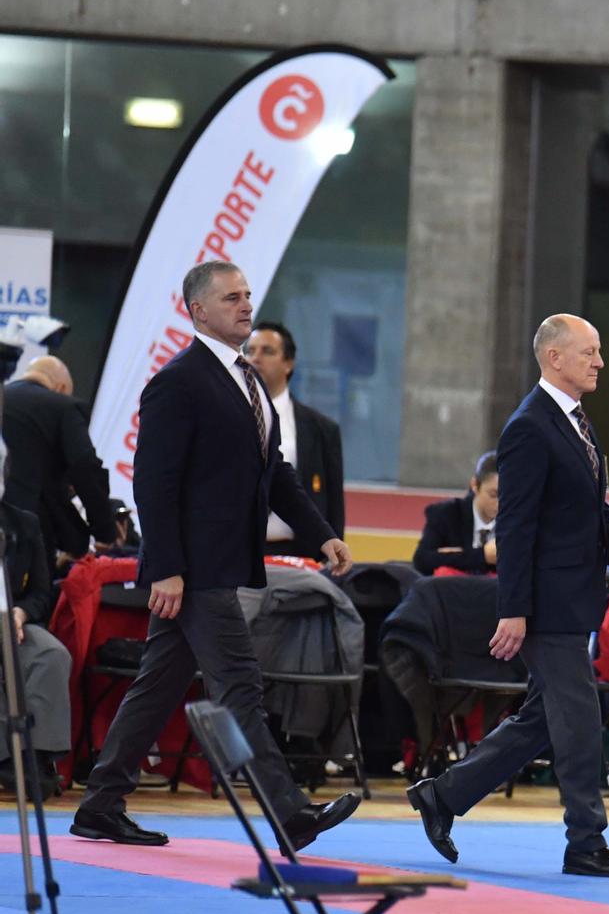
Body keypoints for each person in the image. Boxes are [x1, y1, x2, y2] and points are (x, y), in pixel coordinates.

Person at [71, 261, 358, 849]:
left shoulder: (246, 379)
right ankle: (289, 813)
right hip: (195, 570)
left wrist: (320, 532)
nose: (246, 305)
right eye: (232, 298)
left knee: (158, 684)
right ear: (199, 311)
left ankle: (100, 802)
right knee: (240, 686)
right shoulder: (179, 381)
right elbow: (153, 481)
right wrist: (168, 568)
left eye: (248, 295)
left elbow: (274, 472)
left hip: (217, 564)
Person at [405, 314, 609, 877]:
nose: (600, 362)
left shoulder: (575, 421)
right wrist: (514, 609)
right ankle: (585, 842)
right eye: (589, 352)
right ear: (554, 357)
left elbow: (596, 518)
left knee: (546, 720)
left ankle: (443, 796)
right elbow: (516, 527)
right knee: (577, 716)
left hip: (573, 598)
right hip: (547, 605)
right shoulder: (529, 426)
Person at [0, 354, 120, 578]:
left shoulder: (3, 399)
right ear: (62, 387)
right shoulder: (63, 407)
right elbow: (85, 467)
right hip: (31, 533)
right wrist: (104, 531)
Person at [244, 321, 344, 558]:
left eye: (267, 351)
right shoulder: (224, 417)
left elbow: (334, 505)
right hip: (238, 553)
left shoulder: (321, 429)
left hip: (297, 554)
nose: (256, 358)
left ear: (288, 363)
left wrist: (331, 552)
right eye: (250, 350)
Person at [0, 500, 71, 796]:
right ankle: (5, 758)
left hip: (13, 619)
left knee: (51, 653)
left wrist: (18, 614)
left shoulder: (24, 522)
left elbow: (42, 592)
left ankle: (37, 755)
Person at [414, 450, 500, 576]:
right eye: (493, 495)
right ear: (475, 485)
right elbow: (422, 560)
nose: (500, 503)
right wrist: (483, 556)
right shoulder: (446, 514)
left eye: (508, 497)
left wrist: (458, 556)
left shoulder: (519, 520)